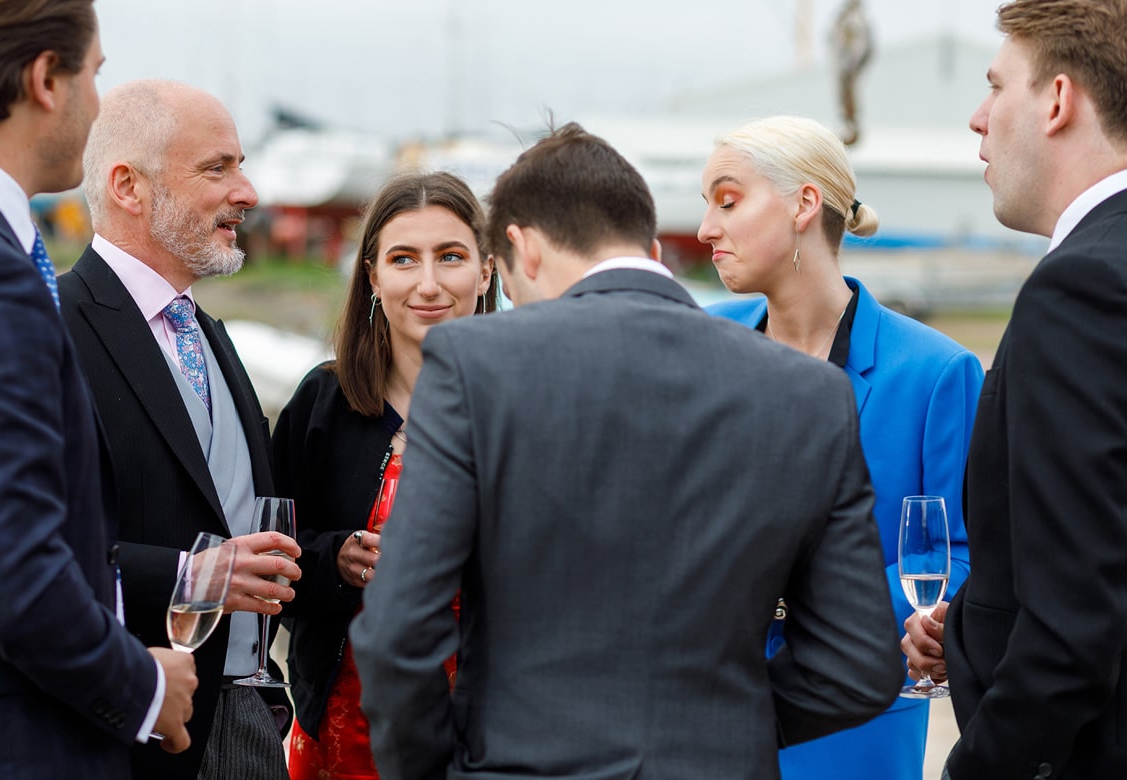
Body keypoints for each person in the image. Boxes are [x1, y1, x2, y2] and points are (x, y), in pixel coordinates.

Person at [349, 122, 902, 780]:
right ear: (649, 242)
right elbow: (860, 665)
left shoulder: (475, 366)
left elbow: (397, 633)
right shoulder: (810, 393)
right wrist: (727, 729)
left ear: (522, 249)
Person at [699, 115, 983, 780]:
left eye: (728, 201)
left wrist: (814, 618)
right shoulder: (700, 341)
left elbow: (964, 554)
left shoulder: (938, 372)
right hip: (706, 708)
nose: (708, 228)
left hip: (856, 717)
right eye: (706, 205)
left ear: (804, 204)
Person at [0, 3, 198, 777]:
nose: (100, 102)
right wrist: (144, 687)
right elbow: (14, 579)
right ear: (45, 81)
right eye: (94, 73)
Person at [902, 1, 1127, 777]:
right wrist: (967, 630)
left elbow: (1073, 628)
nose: (977, 117)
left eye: (997, 86)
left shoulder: (1083, 285)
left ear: (1058, 101)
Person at [57, 79, 302, 780]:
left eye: (241, 165)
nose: (248, 191)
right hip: (132, 736)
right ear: (129, 187)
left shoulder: (210, 334)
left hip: (251, 717)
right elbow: (29, 554)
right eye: (217, 168)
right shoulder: (55, 333)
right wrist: (195, 575)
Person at [273, 170, 495, 780]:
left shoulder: (525, 406)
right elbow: (268, 545)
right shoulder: (324, 401)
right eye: (403, 259)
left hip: (494, 732)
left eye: (451, 257)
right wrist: (335, 559)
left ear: (486, 269)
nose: (428, 284)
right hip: (345, 729)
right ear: (373, 275)